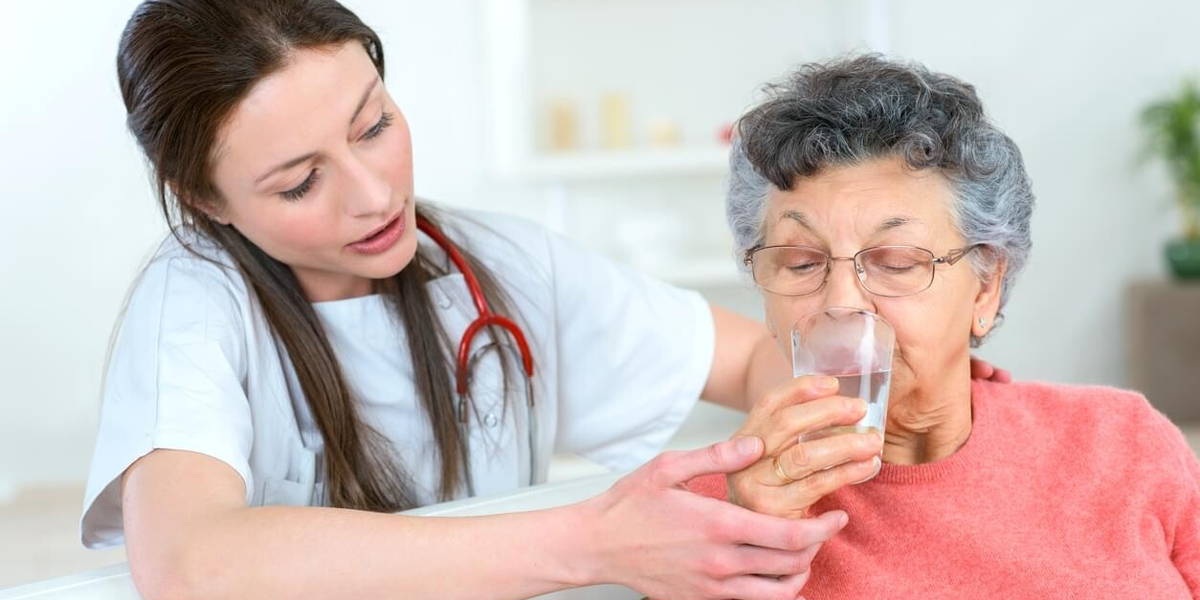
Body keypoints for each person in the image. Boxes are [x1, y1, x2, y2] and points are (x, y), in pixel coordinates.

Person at [80, 2, 858, 599]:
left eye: (374, 125)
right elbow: (190, 561)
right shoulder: (193, 300)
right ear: (205, 199)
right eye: (300, 182)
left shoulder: (502, 264)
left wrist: (794, 452)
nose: (374, 193)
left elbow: (756, 356)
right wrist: (593, 541)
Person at [687, 55, 1200, 598]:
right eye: (800, 263)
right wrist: (753, 553)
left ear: (985, 287)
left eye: (897, 262)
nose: (840, 304)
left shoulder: (1123, 442)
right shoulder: (720, 512)